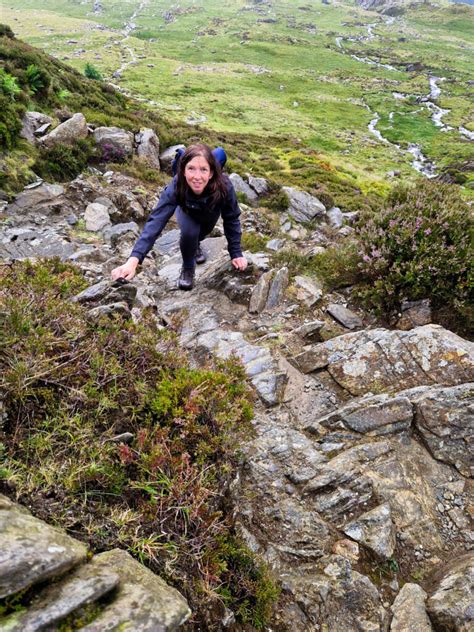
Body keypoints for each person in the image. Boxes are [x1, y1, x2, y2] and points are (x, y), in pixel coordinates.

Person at [111, 143, 248, 290]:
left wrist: (236, 253)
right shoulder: (177, 185)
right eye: (191, 169)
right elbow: (156, 221)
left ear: (211, 173)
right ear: (183, 170)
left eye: (203, 170)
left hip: (210, 213)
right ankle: (188, 268)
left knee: (200, 234)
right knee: (190, 233)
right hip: (187, 210)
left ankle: (196, 245)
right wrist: (133, 261)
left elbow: (231, 218)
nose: (197, 177)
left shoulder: (224, 186)